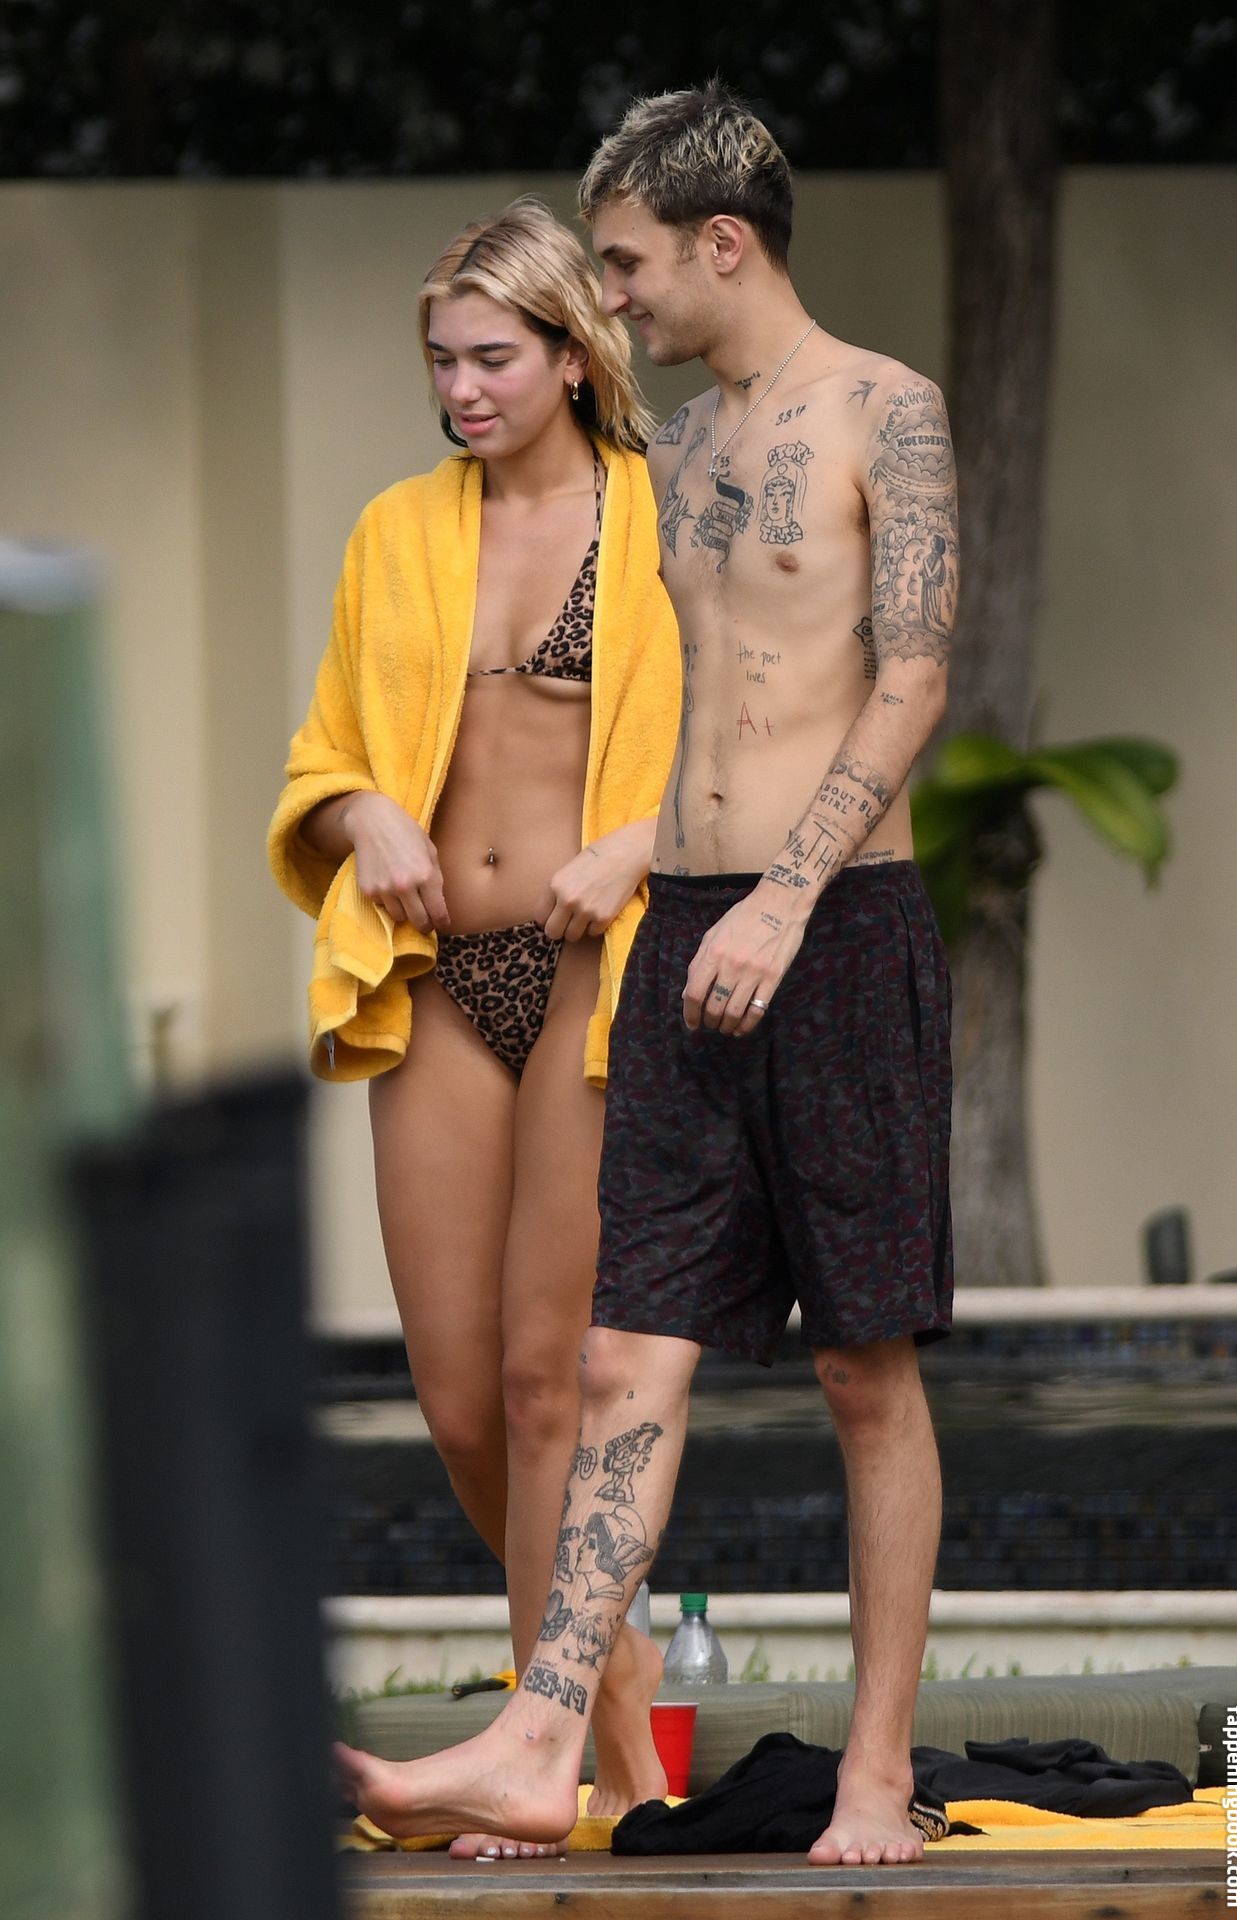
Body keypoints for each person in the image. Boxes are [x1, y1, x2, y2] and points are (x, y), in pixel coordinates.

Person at [335, 83, 958, 1869]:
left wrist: (784, 894)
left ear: (720, 244)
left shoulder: (887, 413)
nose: (607, 298)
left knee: (860, 1374)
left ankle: (873, 1774)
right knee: (616, 1358)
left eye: (620, 264)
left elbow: (912, 674)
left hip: (833, 926)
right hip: (673, 937)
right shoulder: (663, 462)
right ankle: (545, 1744)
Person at [267, 197, 681, 1855]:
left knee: (539, 1385)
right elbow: (328, 754)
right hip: (440, 973)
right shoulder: (396, 531)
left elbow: (746, 746)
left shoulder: (667, 517)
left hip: (589, 970)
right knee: (455, 1403)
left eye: (493, 358)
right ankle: (613, 1731)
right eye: (440, 360)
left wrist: (637, 846)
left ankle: (544, 1761)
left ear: (574, 356)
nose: (461, 389)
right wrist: (364, 812)